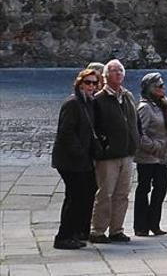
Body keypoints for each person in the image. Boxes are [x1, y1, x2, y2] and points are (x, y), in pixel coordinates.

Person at [90, 59, 139, 244]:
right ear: (106, 76)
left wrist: (135, 142)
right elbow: (94, 126)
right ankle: (98, 230)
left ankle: (117, 229)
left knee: (122, 194)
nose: (117, 74)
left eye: (120, 71)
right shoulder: (99, 99)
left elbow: (134, 122)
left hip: (126, 153)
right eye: (113, 71)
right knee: (105, 193)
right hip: (108, 155)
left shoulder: (127, 96)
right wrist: (103, 146)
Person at [51, 69, 100, 250]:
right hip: (70, 160)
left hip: (83, 159)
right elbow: (66, 133)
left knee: (88, 191)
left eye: (95, 83)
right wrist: (80, 152)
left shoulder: (89, 103)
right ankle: (63, 236)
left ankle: (77, 232)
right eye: (88, 82)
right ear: (80, 84)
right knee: (74, 196)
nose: (91, 86)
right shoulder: (72, 103)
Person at [134, 72, 167, 237]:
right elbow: (139, 133)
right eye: (159, 86)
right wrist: (154, 146)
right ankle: (141, 226)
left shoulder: (162, 105)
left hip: (161, 156)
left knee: (161, 188)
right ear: (151, 89)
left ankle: (154, 223)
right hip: (148, 156)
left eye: (163, 85)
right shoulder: (144, 107)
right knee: (144, 189)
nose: (163, 88)